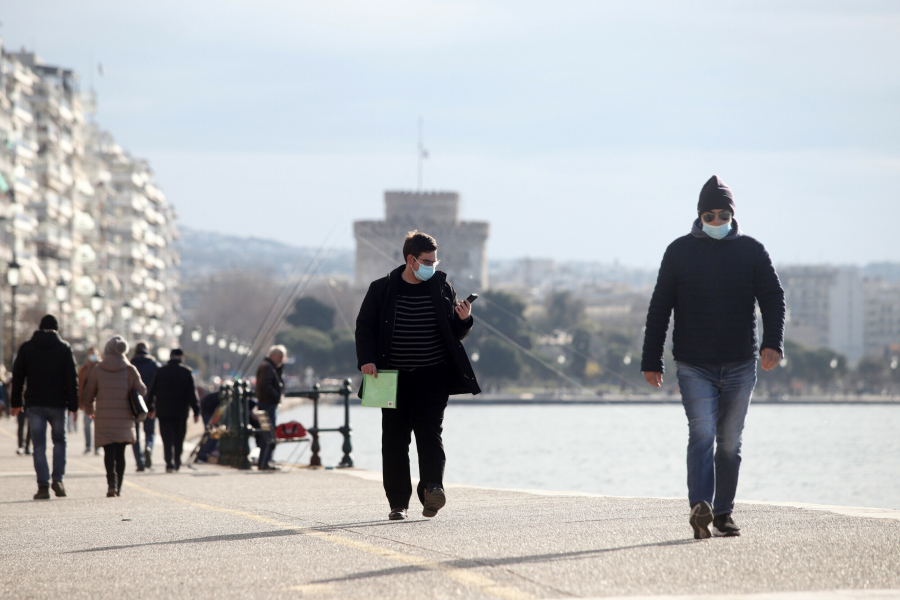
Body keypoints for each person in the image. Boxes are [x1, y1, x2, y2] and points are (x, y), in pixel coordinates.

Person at [640, 175, 785, 539]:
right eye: (709, 215)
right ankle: (700, 506)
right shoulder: (678, 252)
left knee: (730, 443)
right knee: (702, 433)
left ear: (733, 216)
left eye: (723, 215)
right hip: (694, 364)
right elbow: (660, 307)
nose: (716, 221)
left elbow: (773, 297)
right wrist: (651, 359)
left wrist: (773, 342)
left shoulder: (752, 251)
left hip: (740, 363)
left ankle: (723, 513)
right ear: (699, 215)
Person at [355, 230, 480, 521]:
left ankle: (432, 489)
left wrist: (464, 320)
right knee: (394, 441)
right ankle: (398, 503)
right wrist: (366, 360)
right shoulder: (382, 288)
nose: (431, 267)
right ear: (410, 260)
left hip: (433, 376)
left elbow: (454, 333)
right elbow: (365, 326)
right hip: (390, 377)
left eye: (434, 262)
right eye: (426, 261)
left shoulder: (442, 287)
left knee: (430, 435)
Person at [10, 315, 79, 500]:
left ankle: (43, 486)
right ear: (57, 329)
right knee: (60, 441)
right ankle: (58, 479)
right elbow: (71, 379)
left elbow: (18, 376)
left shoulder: (27, 347)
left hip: (35, 404)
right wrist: (74, 405)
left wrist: (16, 402)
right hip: (58, 403)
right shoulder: (64, 348)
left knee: (38, 445)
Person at [81, 336, 147, 497]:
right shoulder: (130, 369)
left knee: (108, 451)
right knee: (120, 453)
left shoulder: (98, 369)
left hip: (104, 417)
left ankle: (112, 483)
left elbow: (88, 394)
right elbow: (142, 390)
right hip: (125, 418)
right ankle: (119, 487)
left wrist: (89, 409)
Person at [146, 349, 199, 472]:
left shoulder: (160, 371)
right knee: (179, 437)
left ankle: (169, 463)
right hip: (181, 411)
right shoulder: (187, 372)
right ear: (181, 357)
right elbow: (192, 394)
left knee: (166, 438)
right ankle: (177, 461)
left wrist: (150, 407)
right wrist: (196, 411)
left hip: (163, 411)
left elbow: (152, 391)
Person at [130, 341, 161, 471]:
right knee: (150, 432)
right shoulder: (155, 365)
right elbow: (159, 387)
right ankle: (148, 447)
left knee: (135, 434)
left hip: (133, 404)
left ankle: (140, 462)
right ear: (147, 350)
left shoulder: (130, 365)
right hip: (149, 404)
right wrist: (154, 405)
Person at [255, 345, 286, 471]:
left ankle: (265, 461)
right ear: (274, 355)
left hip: (266, 403)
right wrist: (276, 396)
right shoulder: (267, 367)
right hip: (268, 404)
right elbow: (265, 385)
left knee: (268, 433)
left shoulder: (268, 366)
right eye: (281, 357)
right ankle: (265, 461)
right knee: (268, 434)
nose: (282, 360)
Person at [77, 347, 100, 455]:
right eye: (90, 353)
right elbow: (80, 386)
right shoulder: (84, 369)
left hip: (99, 402)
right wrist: (80, 402)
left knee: (98, 426)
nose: (92, 355)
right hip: (87, 402)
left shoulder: (102, 368)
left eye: (94, 353)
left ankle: (97, 447)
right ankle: (88, 446)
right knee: (87, 424)